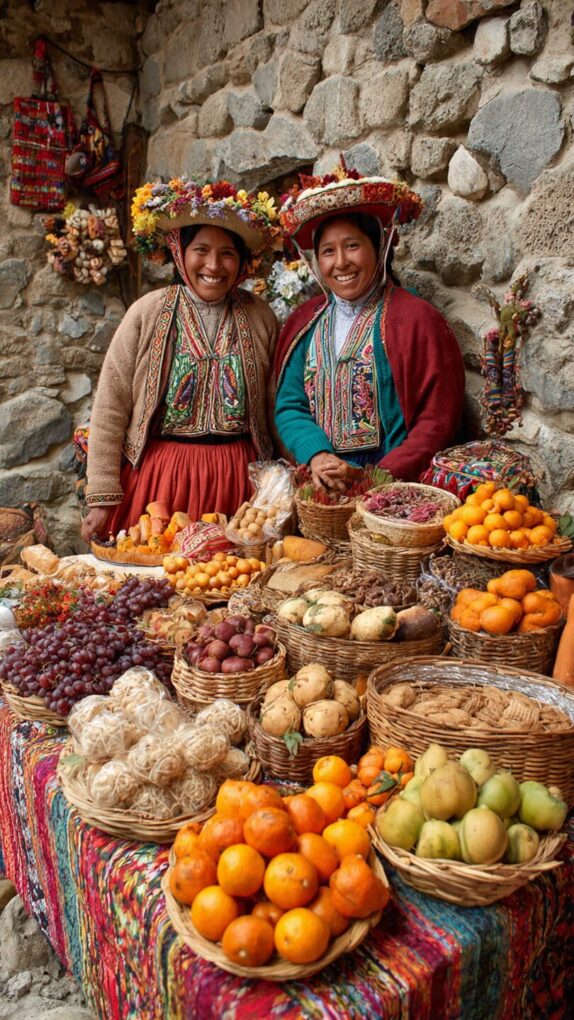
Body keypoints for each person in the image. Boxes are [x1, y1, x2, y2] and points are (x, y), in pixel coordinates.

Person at [81, 178, 281, 542]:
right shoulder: (148, 312)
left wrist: (285, 482)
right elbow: (111, 405)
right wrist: (102, 495)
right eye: (201, 250)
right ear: (179, 252)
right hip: (160, 481)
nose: (214, 265)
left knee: (232, 585)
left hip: (237, 483)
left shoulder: (259, 316)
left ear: (242, 263)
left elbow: (274, 405)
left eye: (228, 254)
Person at [274, 165, 465, 491]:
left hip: (393, 487)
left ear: (379, 249)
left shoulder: (416, 320)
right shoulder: (305, 323)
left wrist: (373, 479)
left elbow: (438, 420)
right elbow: (290, 404)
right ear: (317, 261)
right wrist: (317, 455)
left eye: (352, 246)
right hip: (321, 485)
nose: (341, 263)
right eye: (327, 252)